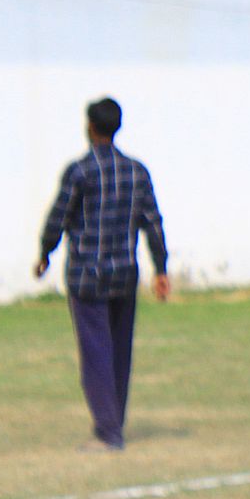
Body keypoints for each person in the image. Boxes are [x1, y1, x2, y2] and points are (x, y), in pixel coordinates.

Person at [34, 96, 170, 452]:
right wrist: (161, 268)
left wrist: (45, 252)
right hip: (125, 274)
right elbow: (152, 221)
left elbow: (59, 217)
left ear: (90, 127)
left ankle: (108, 432)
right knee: (119, 352)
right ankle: (114, 422)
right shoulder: (137, 172)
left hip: (87, 276)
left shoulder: (80, 171)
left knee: (96, 353)